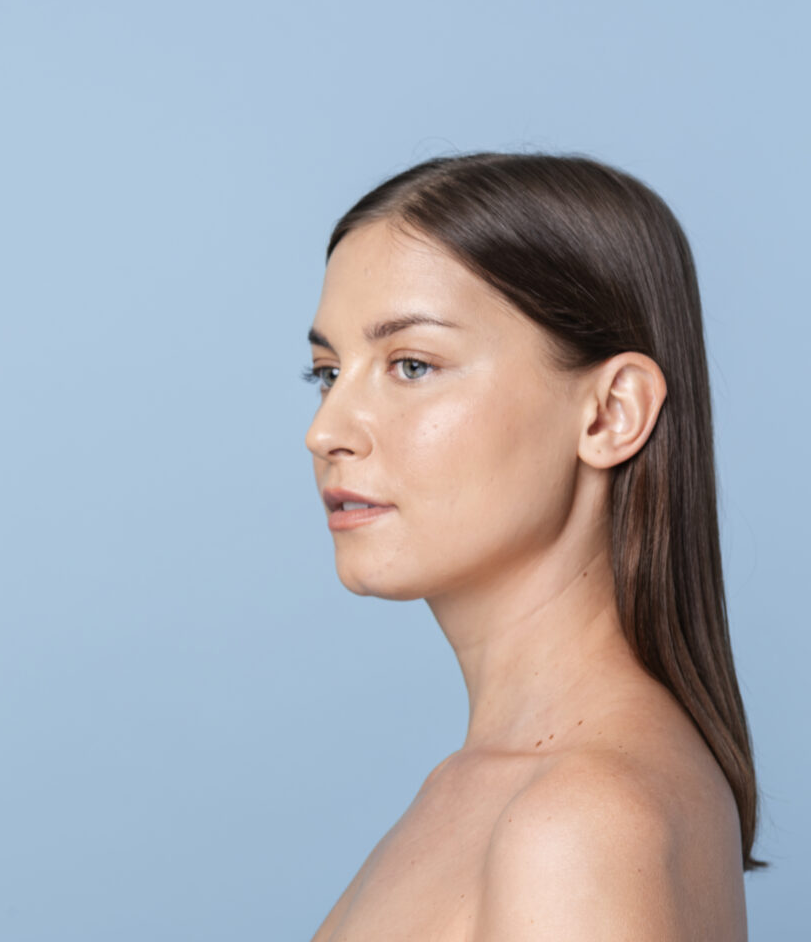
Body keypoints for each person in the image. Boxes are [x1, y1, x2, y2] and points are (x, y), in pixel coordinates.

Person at [304, 154, 758, 940]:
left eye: (412, 365)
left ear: (611, 413)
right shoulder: (491, 787)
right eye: (328, 372)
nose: (328, 431)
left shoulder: (578, 819)